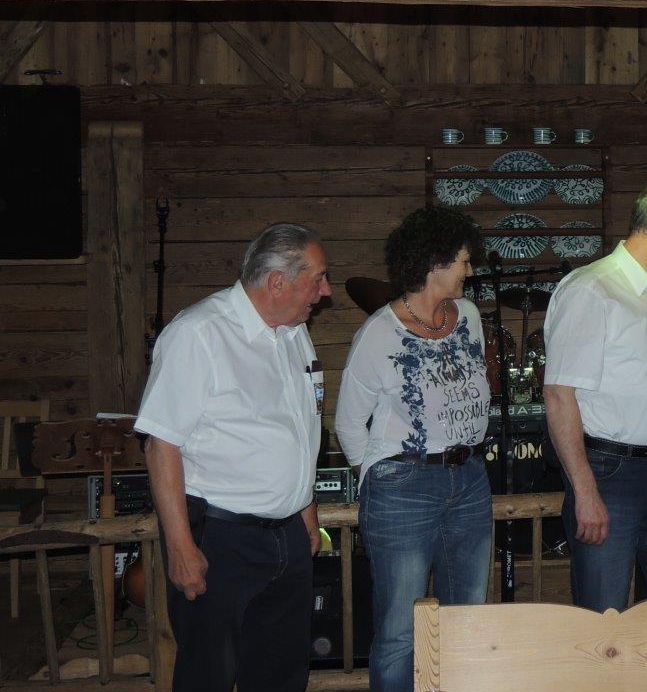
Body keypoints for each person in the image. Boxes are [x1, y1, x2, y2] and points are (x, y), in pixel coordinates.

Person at [135, 223, 331, 692]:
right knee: (209, 675)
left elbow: (299, 428)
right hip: (221, 540)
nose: (326, 292)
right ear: (278, 282)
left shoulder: (294, 334)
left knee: (282, 675)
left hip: (288, 536)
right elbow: (161, 445)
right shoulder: (198, 333)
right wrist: (181, 548)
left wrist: (306, 511)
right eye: (318, 278)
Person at [334, 206, 491, 692]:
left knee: (465, 618)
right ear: (434, 262)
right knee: (400, 631)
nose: (470, 270)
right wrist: (377, 478)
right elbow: (347, 424)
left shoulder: (469, 316)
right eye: (463, 260)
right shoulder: (378, 334)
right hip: (403, 486)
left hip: (469, 478)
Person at [543, 175, 647, 612]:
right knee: (604, 623)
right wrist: (584, 490)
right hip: (609, 473)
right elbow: (559, 395)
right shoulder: (591, 289)